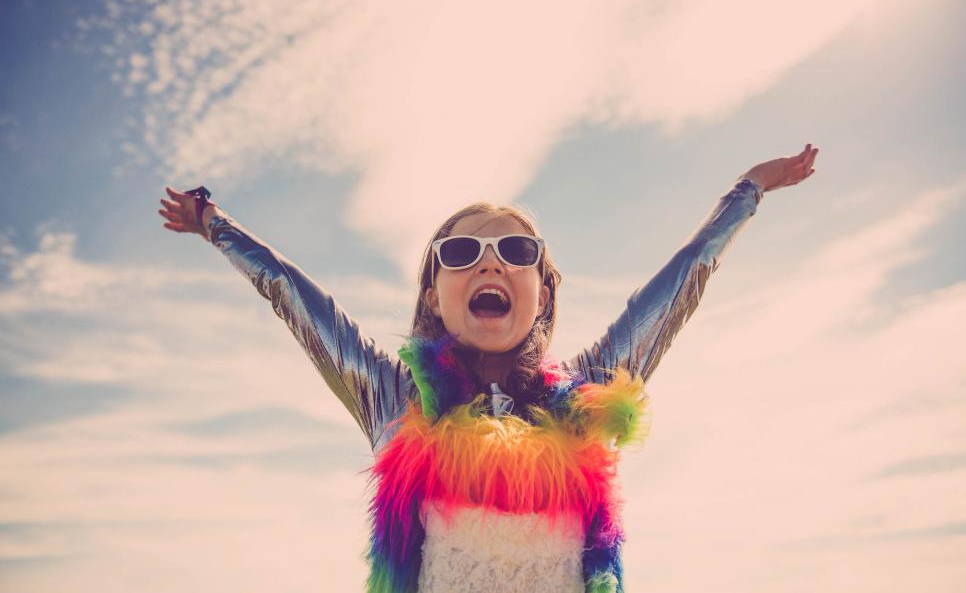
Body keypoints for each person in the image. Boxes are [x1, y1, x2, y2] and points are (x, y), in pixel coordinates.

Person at [158, 144, 819, 592]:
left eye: (514, 249)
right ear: (431, 294)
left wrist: (750, 190)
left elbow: (679, 285)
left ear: (542, 291)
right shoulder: (396, 397)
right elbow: (295, 298)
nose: (490, 262)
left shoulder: (586, 397)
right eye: (463, 250)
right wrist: (216, 226)